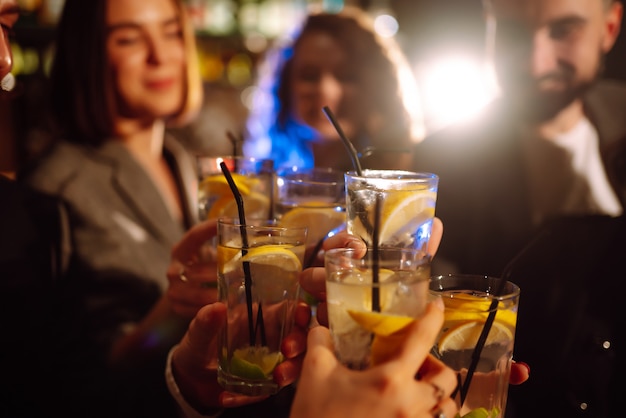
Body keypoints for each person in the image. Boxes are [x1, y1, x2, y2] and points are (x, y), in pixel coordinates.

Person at [412, 0, 626, 416]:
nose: (535, 61)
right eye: (512, 33)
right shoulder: (446, 156)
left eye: (564, 30)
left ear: (610, 27)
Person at [18, 0, 206, 416]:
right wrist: (179, 305)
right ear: (86, 55)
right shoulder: (56, 187)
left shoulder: (179, 160)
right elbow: (71, 378)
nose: (161, 56)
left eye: (171, 32)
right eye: (129, 39)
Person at [243, 5, 424, 172]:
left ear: (378, 89)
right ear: (283, 87)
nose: (326, 91)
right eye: (310, 76)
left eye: (347, 76)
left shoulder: (413, 182)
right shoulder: (264, 184)